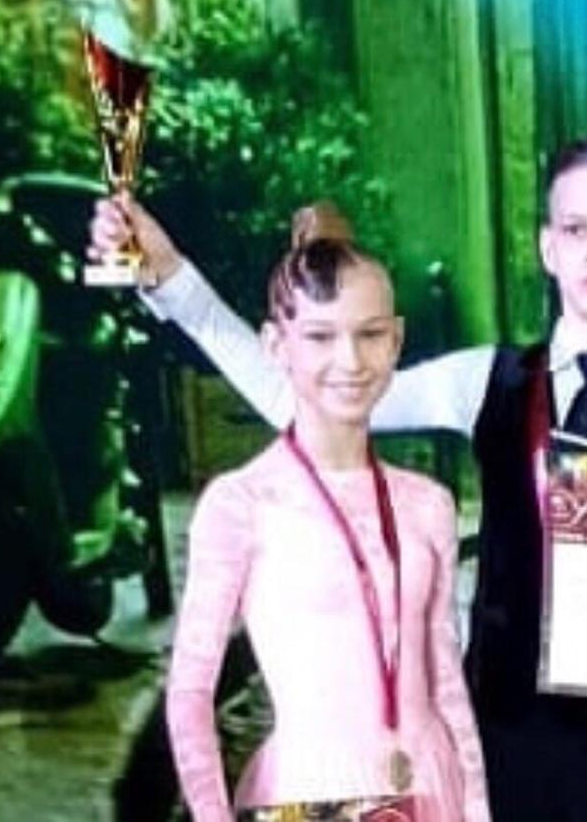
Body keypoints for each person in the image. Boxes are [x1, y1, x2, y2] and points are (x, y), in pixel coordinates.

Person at [92, 136, 587, 822]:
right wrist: (174, 282)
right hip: (495, 756)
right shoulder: (486, 382)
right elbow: (302, 394)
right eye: (576, 228)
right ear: (547, 246)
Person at [163, 204, 490, 822]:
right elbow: (189, 694)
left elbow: (445, 675)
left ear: (396, 340)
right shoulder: (242, 504)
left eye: (370, 334)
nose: (351, 361)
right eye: (319, 337)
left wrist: (477, 807)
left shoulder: (429, 505)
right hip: (310, 793)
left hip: (431, 786)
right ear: (276, 346)